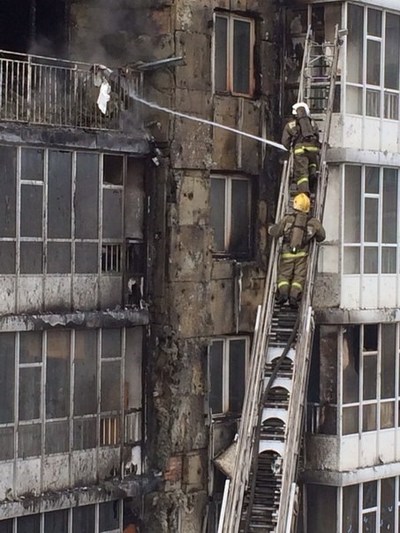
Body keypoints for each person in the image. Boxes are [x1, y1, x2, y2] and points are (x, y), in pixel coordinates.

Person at [268, 193, 325, 307]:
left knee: (284, 275)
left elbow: (276, 232)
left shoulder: (288, 219)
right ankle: (294, 297)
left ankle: (283, 294)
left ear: (295, 205)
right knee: (299, 277)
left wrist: (269, 228)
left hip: (287, 254)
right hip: (302, 254)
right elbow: (322, 236)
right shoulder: (313, 222)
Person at [281, 102, 320, 195]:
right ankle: (313, 173)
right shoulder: (313, 123)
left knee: (302, 173)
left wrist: (290, 148)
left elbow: (285, 142)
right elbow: (317, 136)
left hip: (300, 150)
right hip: (313, 148)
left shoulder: (290, 125)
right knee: (312, 162)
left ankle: (304, 193)